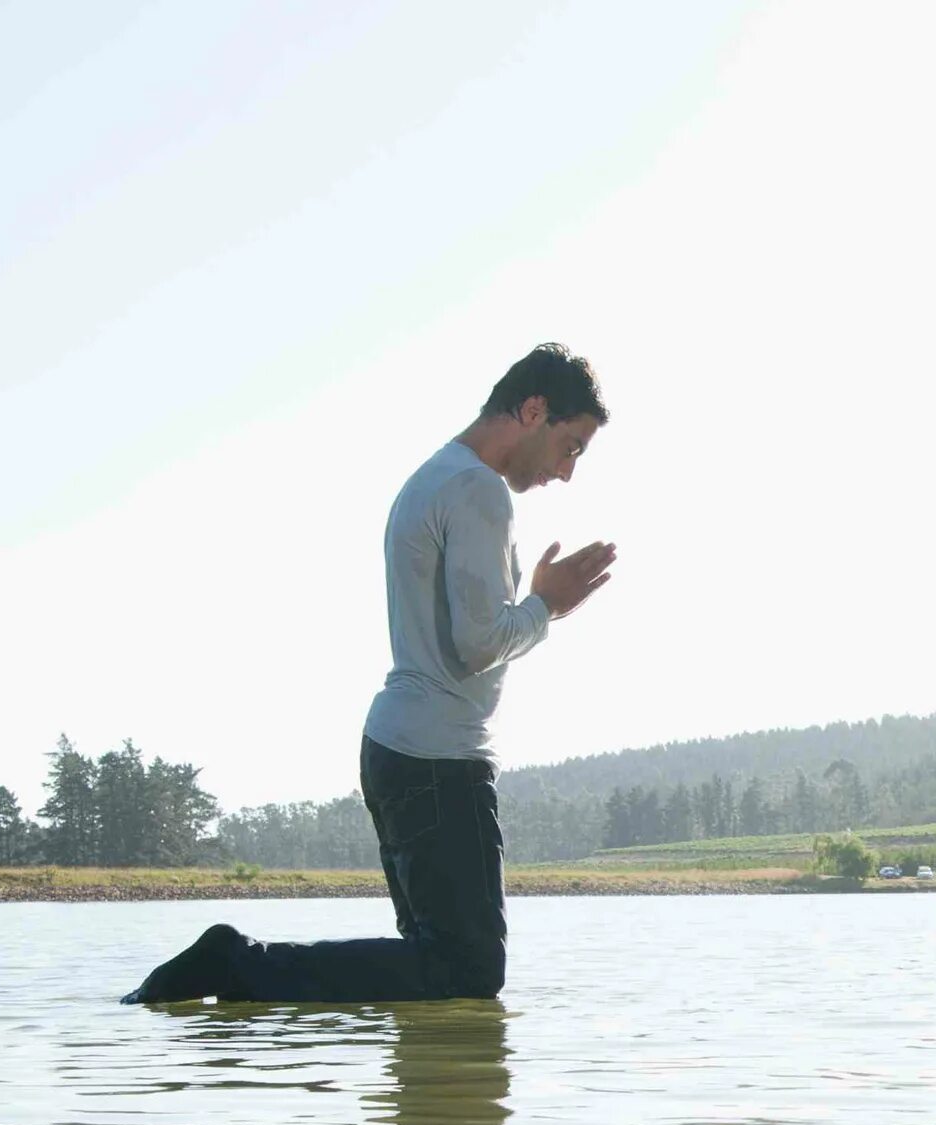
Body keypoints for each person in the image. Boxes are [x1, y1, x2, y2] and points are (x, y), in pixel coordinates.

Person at [123, 343, 617, 1004]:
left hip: (401, 752)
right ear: (534, 410)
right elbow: (475, 645)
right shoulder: (477, 490)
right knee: (466, 972)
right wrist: (544, 605)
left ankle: (410, 1101)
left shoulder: (435, 476)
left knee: (435, 970)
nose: (565, 473)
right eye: (571, 447)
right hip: (438, 759)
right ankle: (236, 962)